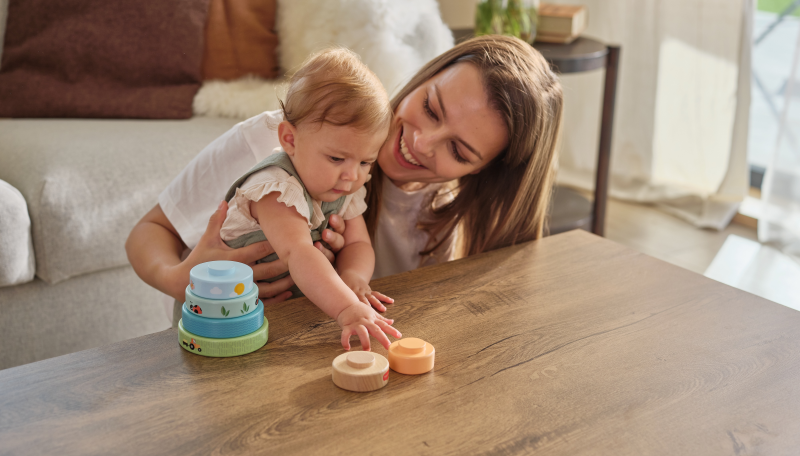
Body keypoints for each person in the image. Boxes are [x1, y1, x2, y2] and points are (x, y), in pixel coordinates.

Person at [126, 35, 564, 342]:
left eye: (459, 151)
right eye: (430, 107)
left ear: (481, 172)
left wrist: (352, 281)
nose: (421, 142)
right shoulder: (274, 144)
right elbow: (148, 232)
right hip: (218, 339)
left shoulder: (442, 212)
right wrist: (176, 279)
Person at [216, 48, 399, 350]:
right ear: (290, 139)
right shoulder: (275, 189)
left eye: (366, 162)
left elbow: (357, 243)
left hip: (287, 314)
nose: (352, 176)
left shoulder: (346, 188)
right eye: (337, 158)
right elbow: (298, 253)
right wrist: (345, 308)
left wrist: (353, 277)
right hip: (226, 316)